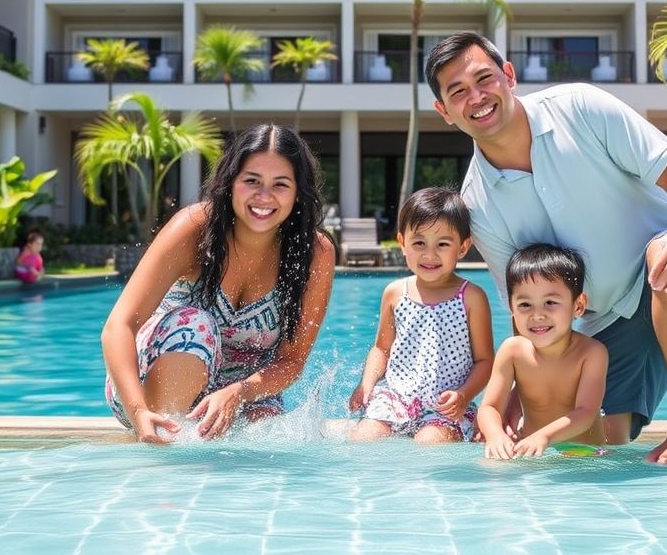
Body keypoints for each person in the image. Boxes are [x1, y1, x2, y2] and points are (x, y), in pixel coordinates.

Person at [427, 31, 667, 465]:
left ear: (509, 76)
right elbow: (527, 304)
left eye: (484, 79)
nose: (476, 97)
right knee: (603, 440)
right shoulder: (477, 204)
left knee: (664, 253)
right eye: (458, 92)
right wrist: (516, 403)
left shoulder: (580, 107)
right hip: (611, 318)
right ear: (444, 111)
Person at [101, 124, 336, 444]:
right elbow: (119, 325)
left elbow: (291, 361)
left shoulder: (314, 253)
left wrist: (240, 392)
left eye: (280, 184)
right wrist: (138, 409)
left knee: (270, 445)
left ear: (298, 193)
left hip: (240, 395)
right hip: (145, 391)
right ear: (231, 183)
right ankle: (159, 441)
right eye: (251, 181)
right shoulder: (195, 228)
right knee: (195, 325)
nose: (264, 196)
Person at [347, 187, 494, 443]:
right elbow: (382, 349)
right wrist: (367, 383)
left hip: (447, 402)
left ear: (463, 247)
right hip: (397, 397)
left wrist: (464, 395)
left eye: (443, 244)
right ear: (403, 243)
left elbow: (485, 361)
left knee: (429, 442)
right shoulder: (395, 293)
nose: (429, 254)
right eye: (419, 243)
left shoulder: (471, 297)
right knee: (363, 438)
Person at [478, 244, 607, 459]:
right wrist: (495, 435)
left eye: (550, 302)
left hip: (585, 454)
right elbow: (488, 407)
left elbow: (585, 413)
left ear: (578, 305)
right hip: (532, 452)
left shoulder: (591, 353)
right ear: (511, 307)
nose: (537, 314)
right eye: (525, 304)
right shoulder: (512, 351)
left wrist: (544, 437)